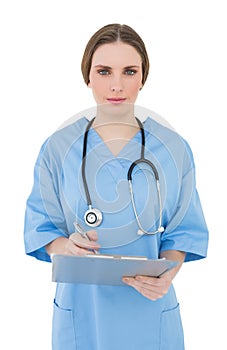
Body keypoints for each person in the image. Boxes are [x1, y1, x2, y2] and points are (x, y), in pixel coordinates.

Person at [24, 23, 209, 350]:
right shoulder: (58, 147)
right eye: (104, 71)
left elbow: (185, 231)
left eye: (129, 71)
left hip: (149, 310)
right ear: (88, 76)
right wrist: (66, 247)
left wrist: (169, 273)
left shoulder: (173, 148)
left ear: (143, 77)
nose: (117, 85)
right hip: (83, 312)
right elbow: (41, 225)